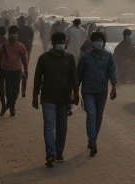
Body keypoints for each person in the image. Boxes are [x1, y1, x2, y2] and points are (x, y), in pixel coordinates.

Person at [33, 30, 80, 168]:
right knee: (49, 126)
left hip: (64, 99)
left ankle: (59, 153)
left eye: (62, 42)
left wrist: (76, 94)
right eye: (58, 42)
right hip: (48, 98)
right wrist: (35, 96)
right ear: (52, 43)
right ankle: (51, 154)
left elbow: (74, 78)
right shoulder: (44, 58)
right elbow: (37, 78)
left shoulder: (70, 58)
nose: (61, 44)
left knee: (62, 128)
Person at [76, 30, 118, 156]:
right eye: (96, 41)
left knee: (99, 116)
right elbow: (79, 75)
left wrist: (114, 87)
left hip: (102, 91)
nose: (98, 43)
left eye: (100, 41)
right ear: (92, 43)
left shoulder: (108, 56)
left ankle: (92, 139)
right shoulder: (85, 57)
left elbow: (112, 71)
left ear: (104, 44)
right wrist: (75, 92)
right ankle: (93, 142)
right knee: (92, 115)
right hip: (88, 91)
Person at [0, 24, 29, 117]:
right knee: (3, 90)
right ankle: (4, 106)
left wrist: (26, 71)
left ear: (17, 36)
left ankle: (10, 105)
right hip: (4, 71)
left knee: (15, 91)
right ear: (8, 35)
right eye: (11, 35)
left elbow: (25, 61)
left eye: (15, 35)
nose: (13, 38)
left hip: (16, 71)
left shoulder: (21, 47)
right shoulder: (3, 46)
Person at [18, 15, 35, 97]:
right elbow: (31, 40)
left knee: (17, 69)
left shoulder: (17, 29)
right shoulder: (29, 28)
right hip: (26, 50)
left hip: (17, 51)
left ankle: (18, 88)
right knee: (25, 69)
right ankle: (23, 90)